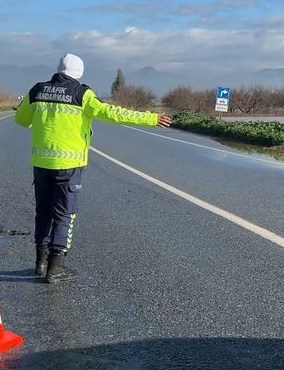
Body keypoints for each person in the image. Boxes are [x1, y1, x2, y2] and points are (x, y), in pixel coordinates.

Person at [15, 54, 172, 283]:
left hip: (41, 164)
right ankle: (55, 268)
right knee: (64, 214)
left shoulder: (37, 90)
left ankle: (40, 263)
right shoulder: (81, 94)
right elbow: (113, 113)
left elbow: (21, 120)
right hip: (69, 166)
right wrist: (151, 119)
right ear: (79, 73)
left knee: (44, 212)